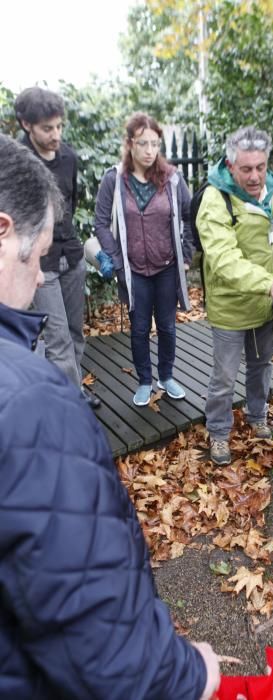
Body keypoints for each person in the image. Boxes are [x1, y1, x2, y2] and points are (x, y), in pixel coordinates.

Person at [0, 134, 219, 699]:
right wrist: (190, 675)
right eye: (40, 253)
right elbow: (88, 617)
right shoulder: (31, 405)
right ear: (4, 230)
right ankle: (148, 378)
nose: (37, 282)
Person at [196, 126, 273, 465]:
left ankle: (257, 416)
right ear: (231, 166)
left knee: (261, 365)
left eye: (261, 166)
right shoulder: (215, 200)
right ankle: (218, 432)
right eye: (246, 169)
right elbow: (225, 261)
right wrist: (271, 284)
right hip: (231, 308)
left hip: (266, 302)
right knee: (225, 376)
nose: (256, 176)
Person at [94, 112, 193, 406]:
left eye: (155, 144)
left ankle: (166, 376)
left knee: (166, 326)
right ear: (130, 144)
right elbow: (100, 223)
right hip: (133, 270)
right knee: (139, 328)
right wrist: (117, 260)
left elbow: (190, 216)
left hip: (166, 268)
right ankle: (144, 381)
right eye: (143, 144)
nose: (150, 151)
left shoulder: (172, 179)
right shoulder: (114, 180)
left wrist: (185, 257)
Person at [14, 86, 100, 408]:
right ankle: (69, 406)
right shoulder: (17, 164)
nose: (56, 135)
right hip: (40, 265)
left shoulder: (70, 158)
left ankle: (71, 389)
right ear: (26, 125)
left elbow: (70, 203)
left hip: (72, 257)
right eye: (47, 128)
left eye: (59, 126)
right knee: (58, 338)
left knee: (76, 332)